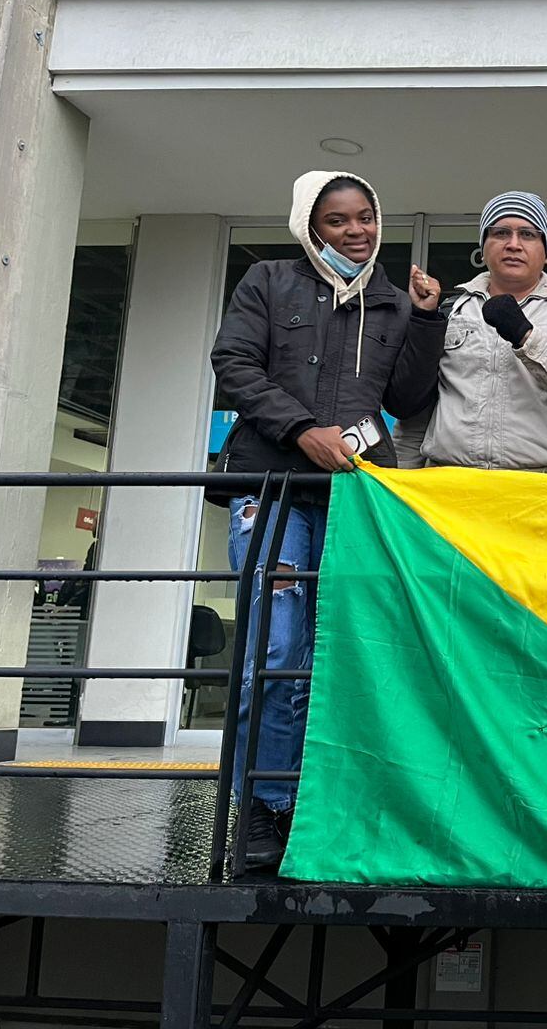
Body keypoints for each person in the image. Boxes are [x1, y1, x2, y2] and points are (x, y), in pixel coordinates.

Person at [209, 169, 445, 871]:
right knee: (275, 654)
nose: (357, 231)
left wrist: (427, 320)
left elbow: (408, 394)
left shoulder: (395, 303)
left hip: (355, 501)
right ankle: (264, 808)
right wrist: (302, 427)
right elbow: (232, 363)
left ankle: (320, 803)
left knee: (339, 653)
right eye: (340, 220)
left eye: (366, 217)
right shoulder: (267, 282)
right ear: (311, 225)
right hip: (274, 490)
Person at [395, 191, 547, 472]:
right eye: (500, 233)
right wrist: (397, 485)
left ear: (546, 253)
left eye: (528, 234)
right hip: (451, 490)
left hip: (544, 491)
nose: (514, 244)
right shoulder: (449, 312)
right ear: (483, 248)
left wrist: (525, 336)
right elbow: (416, 414)